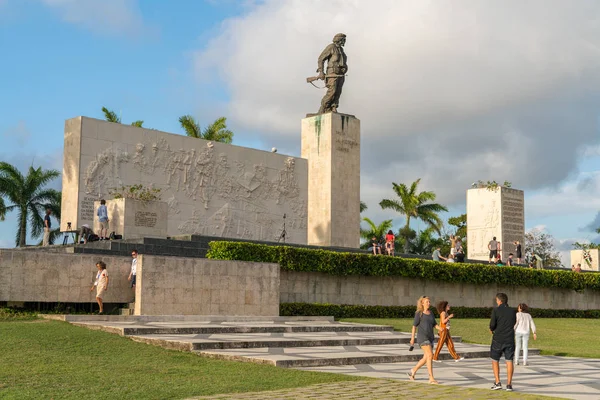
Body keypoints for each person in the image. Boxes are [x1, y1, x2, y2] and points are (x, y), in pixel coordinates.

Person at [408, 296, 442, 384]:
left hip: (430, 338)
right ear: (422, 303)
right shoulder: (419, 313)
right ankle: (431, 378)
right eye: (427, 302)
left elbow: (434, 324)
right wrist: (412, 338)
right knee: (430, 355)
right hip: (422, 338)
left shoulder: (431, 313)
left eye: (429, 302)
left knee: (426, 358)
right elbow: (414, 326)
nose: (429, 303)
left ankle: (413, 371)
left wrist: (440, 329)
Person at [489, 292, 517, 392]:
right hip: (509, 339)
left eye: (496, 300)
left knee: (495, 360)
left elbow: (492, 325)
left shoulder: (496, 310)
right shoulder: (513, 311)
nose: (496, 302)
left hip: (498, 338)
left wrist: (492, 329)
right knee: (509, 361)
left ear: (500, 301)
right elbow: (513, 322)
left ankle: (497, 382)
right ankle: (509, 384)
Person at [316, 33, 348, 113]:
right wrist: (321, 71)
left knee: (338, 92)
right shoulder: (331, 47)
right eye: (343, 40)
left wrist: (345, 67)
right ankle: (324, 107)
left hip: (341, 74)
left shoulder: (341, 50)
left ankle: (333, 106)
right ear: (339, 40)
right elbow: (321, 59)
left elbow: (343, 61)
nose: (344, 41)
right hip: (332, 73)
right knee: (332, 91)